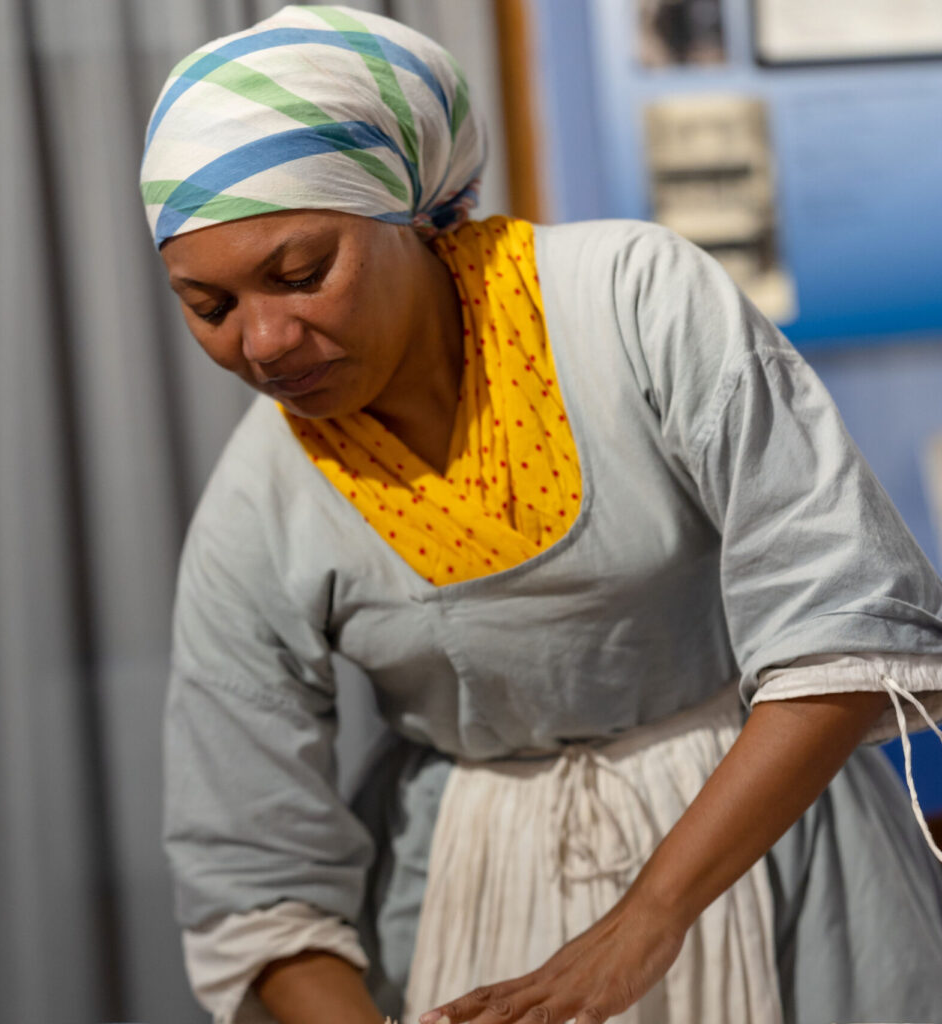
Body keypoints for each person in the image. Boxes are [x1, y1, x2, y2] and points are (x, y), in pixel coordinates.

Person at [139, 6, 942, 1024]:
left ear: (412, 216)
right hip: (471, 900)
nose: (262, 340)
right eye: (208, 307)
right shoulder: (261, 496)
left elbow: (845, 620)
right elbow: (250, 858)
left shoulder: (631, 303)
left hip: (760, 861)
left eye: (300, 275)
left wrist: (647, 918)